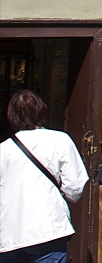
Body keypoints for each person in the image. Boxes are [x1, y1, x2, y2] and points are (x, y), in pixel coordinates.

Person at [0, 90, 88, 263]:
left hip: (9, 234)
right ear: (41, 111)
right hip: (48, 229)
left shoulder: (3, 149)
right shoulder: (60, 140)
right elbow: (75, 187)